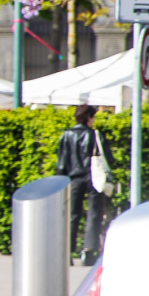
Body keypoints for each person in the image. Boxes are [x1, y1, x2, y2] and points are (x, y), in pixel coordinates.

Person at [53, 103, 113, 263]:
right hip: (94, 178)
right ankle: (89, 251)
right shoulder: (95, 135)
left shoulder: (66, 136)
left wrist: (61, 180)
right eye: (93, 117)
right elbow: (108, 158)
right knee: (94, 214)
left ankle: (67, 252)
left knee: (72, 215)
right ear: (88, 118)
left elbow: (61, 163)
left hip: (73, 179)